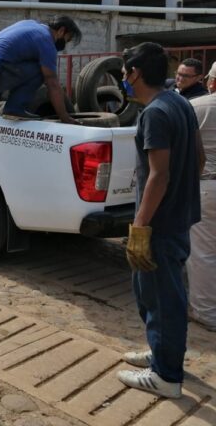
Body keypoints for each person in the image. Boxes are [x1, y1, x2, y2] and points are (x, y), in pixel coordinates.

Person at [117, 42, 204, 399]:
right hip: (179, 217)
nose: (123, 77)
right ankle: (163, 353)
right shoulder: (180, 102)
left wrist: (140, 227)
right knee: (158, 294)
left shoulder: (154, 113)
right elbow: (198, 159)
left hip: (159, 225)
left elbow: (158, 176)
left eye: (124, 72)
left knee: (161, 297)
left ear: (135, 73)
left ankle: (167, 376)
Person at [0, 15, 81, 123]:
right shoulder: (46, 40)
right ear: (61, 31)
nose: (65, 44)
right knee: (42, 71)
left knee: (0, 67)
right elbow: (52, 84)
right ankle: (14, 108)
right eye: (67, 39)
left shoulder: (27, 23)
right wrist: (65, 117)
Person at [187, 60, 216, 331]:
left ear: (211, 82)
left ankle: (205, 312)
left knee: (203, 252)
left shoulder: (197, 107)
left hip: (207, 185)